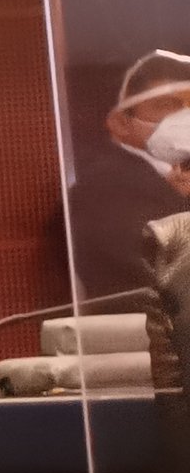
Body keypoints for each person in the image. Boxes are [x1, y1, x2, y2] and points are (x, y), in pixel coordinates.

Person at [74, 49, 190, 295]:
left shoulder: (174, 179)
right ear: (121, 122)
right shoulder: (104, 188)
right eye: (166, 105)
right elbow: (145, 284)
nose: (185, 116)